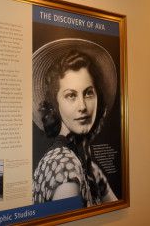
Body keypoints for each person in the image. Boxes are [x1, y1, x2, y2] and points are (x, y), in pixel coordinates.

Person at [32, 38, 118, 206]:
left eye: (88, 93)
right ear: (54, 104)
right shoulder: (65, 167)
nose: (82, 106)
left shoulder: (87, 166)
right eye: (71, 95)